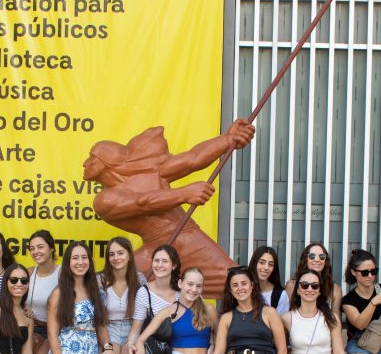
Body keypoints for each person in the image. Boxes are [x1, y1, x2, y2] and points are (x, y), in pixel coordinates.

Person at [85, 119, 255, 298]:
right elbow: (144, 203)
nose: (85, 163)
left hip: (188, 239)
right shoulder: (104, 200)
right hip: (155, 250)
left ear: (107, 162)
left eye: (91, 158)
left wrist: (228, 140)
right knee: (110, 285)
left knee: (236, 282)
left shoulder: (151, 172)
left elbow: (193, 158)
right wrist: (184, 194)